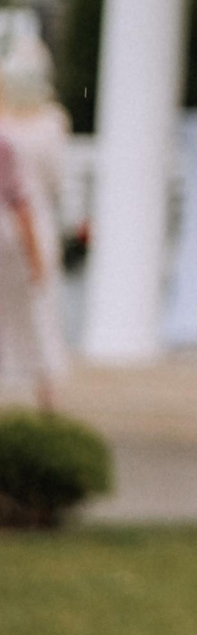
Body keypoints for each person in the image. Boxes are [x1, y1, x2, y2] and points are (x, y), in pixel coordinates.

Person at [0, 25, 70, 412]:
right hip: (29, 219)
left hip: (19, 218)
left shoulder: (7, 126)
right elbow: (44, 187)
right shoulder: (48, 124)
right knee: (40, 307)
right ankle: (46, 393)